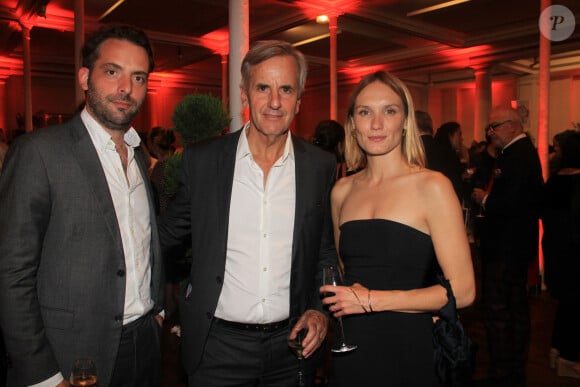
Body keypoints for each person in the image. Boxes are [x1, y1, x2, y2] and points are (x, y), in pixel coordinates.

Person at [158, 40, 338, 386]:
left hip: (292, 347)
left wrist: (318, 308)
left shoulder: (320, 166)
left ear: (299, 99)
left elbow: (324, 251)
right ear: (244, 96)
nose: (274, 101)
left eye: (286, 89)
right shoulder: (204, 161)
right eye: (262, 88)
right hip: (217, 348)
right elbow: (165, 237)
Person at [0, 25, 164, 387]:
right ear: (85, 78)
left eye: (138, 77)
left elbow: (143, 240)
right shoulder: (38, 153)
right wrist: (43, 375)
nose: (126, 88)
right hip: (71, 356)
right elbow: (12, 274)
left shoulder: (138, 155)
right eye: (112, 72)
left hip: (144, 346)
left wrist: (157, 310)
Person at [319, 71, 475, 386]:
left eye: (389, 111)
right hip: (352, 345)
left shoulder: (432, 186)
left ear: (405, 121)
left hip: (409, 343)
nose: (377, 124)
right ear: (352, 124)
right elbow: (346, 269)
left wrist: (373, 299)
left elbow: (464, 291)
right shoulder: (342, 191)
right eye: (365, 112)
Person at [472, 107, 544, 387]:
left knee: (499, 310)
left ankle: (503, 373)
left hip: (505, 247)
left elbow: (514, 204)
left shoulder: (518, 156)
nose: (490, 133)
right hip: (514, 247)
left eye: (494, 127)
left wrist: (485, 200)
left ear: (512, 126)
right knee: (515, 309)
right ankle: (513, 369)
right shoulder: (519, 154)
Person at [541, 130, 580, 378]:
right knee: (574, 305)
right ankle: (569, 358)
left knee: (567, 304)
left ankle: (557, 351)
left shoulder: (554, 180)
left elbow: (545, 214)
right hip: (574, 251)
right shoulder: (577, 182)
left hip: (555, 249)